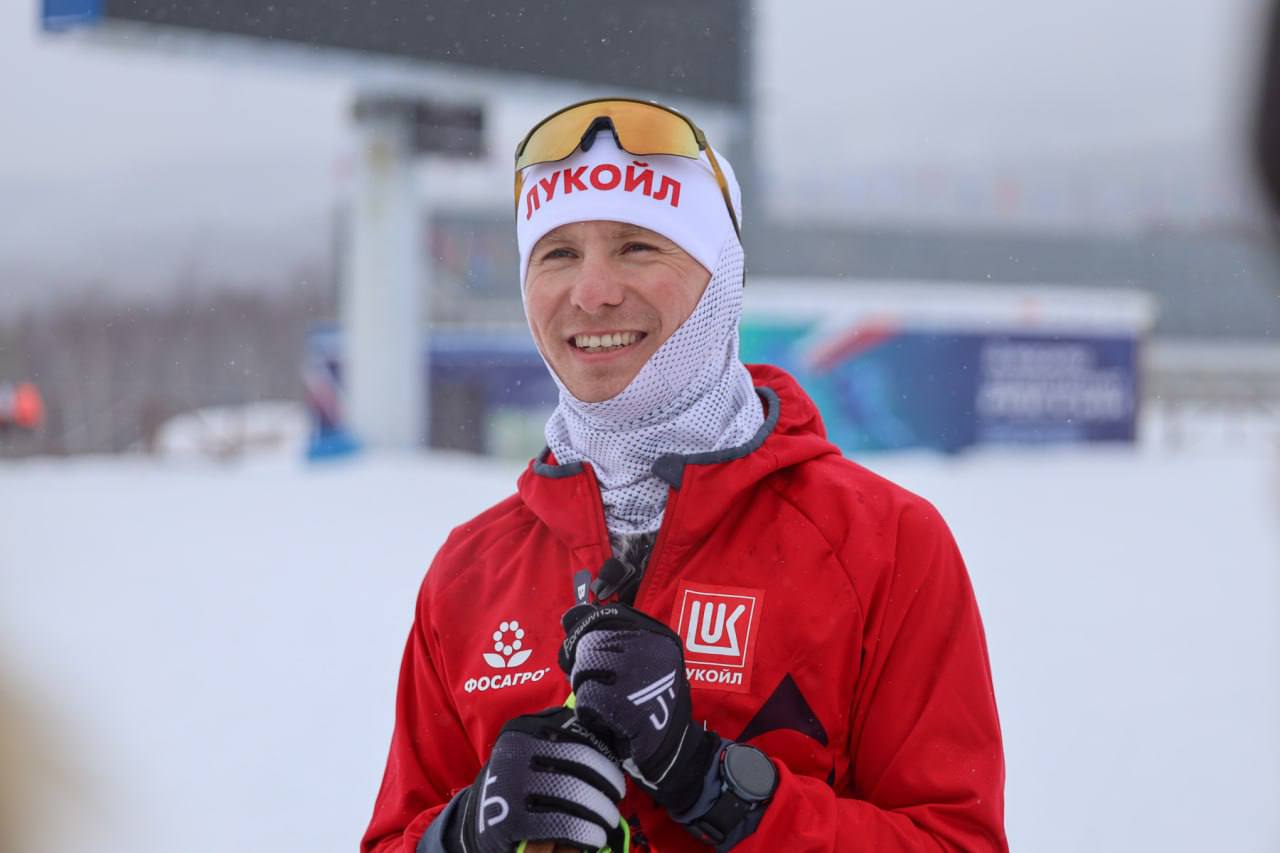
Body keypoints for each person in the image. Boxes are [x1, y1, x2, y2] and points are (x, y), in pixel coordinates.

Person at [361, 98, 1008, 853]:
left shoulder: (884, 544)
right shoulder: (469, 573)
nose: (592, 291)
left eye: (637, 246)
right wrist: (460, 836)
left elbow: (953, 841)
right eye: (557, 253)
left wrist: (716, 784)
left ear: (720, 279)